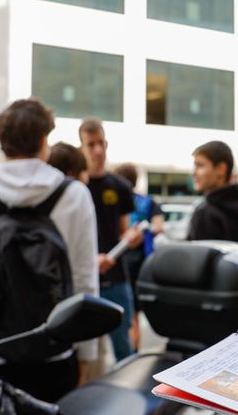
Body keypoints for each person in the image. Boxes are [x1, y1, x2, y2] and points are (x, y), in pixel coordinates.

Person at [0, 99, 98, 401]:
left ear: (3, 144)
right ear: (44, 140)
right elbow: (84, 281)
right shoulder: (75, 196)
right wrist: (86, 354)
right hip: (56, 353)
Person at [79, 118, 139, 365]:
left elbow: (123, 231)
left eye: (101, 143)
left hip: (116, 278)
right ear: (81, 147)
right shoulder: (73, 187)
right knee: (85, 349)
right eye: (91, 144)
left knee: (123, 346)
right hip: (83, 278)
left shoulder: (120, 186)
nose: (98, 150)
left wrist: (130, 238)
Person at [113, 163, 165, 351]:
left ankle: (129, 354)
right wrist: (144, 229)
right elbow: (159, 227)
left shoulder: (115, 201)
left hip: (118, 261)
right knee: (134, 313)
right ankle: (134, 352)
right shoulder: (148, 202)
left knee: (125, 313)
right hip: (142, 263)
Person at [187, 141, 238, 249]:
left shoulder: (205, 212)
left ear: (221, 169)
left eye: (200, 165)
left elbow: (197, 262)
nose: (193, 172)